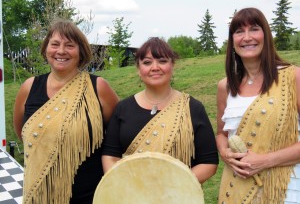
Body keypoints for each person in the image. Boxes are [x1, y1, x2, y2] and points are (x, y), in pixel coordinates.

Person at [13, 19, 119, 204]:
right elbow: (22, 132)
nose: (61, 51)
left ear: (80, 52)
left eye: (69, 45)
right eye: (55, 44)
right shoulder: (29, 87)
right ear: (46, 49)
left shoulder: (99, 87)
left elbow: (117, 135)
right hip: (40, 194)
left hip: (89, 196)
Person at [101, 37, 219, 184]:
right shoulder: (123, 109)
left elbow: (209, 162)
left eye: (162, 61)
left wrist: (170, 188)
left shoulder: (193, 108)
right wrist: (125, 186)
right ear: (139, 69)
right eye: (147, 62)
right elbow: (110, 156)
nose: (155, 67)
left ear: (172, 66)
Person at [216, 7, 300, 204]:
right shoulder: (225, 87)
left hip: (287, 189)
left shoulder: (293, 77)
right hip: (237, 189)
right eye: (239, 31)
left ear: (266, 34)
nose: (247, 37)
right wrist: (225, 153)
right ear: (232, 41)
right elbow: (221, 134)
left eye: (254, 29)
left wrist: (264, 161)